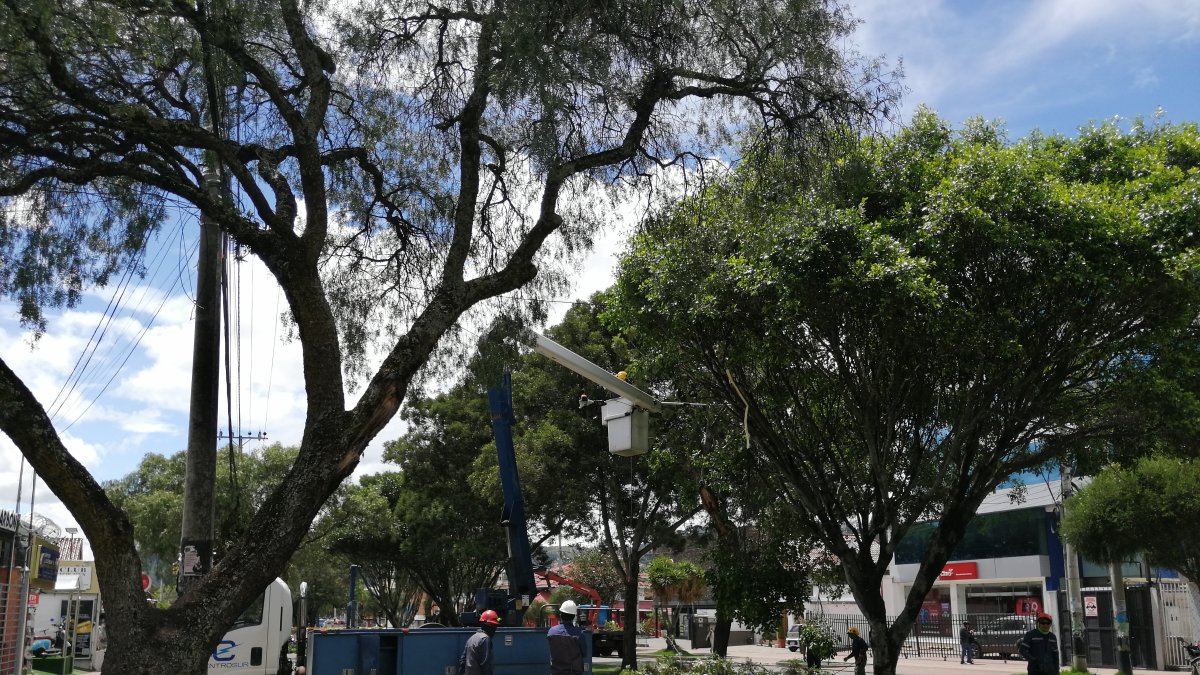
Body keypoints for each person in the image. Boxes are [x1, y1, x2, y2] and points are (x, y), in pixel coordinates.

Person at [547, 600, 586, 675]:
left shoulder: (551, 632)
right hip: (574, 672)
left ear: (561, 615)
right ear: (574, 616)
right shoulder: (579, 634)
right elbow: (584, 653)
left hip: (556, 672)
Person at [458, 609, 500, 675]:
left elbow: (462, 661)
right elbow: (486, 665)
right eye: (494, 626)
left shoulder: (472, 638)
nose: (495, 630)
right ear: (488, 625)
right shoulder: (485, 639)